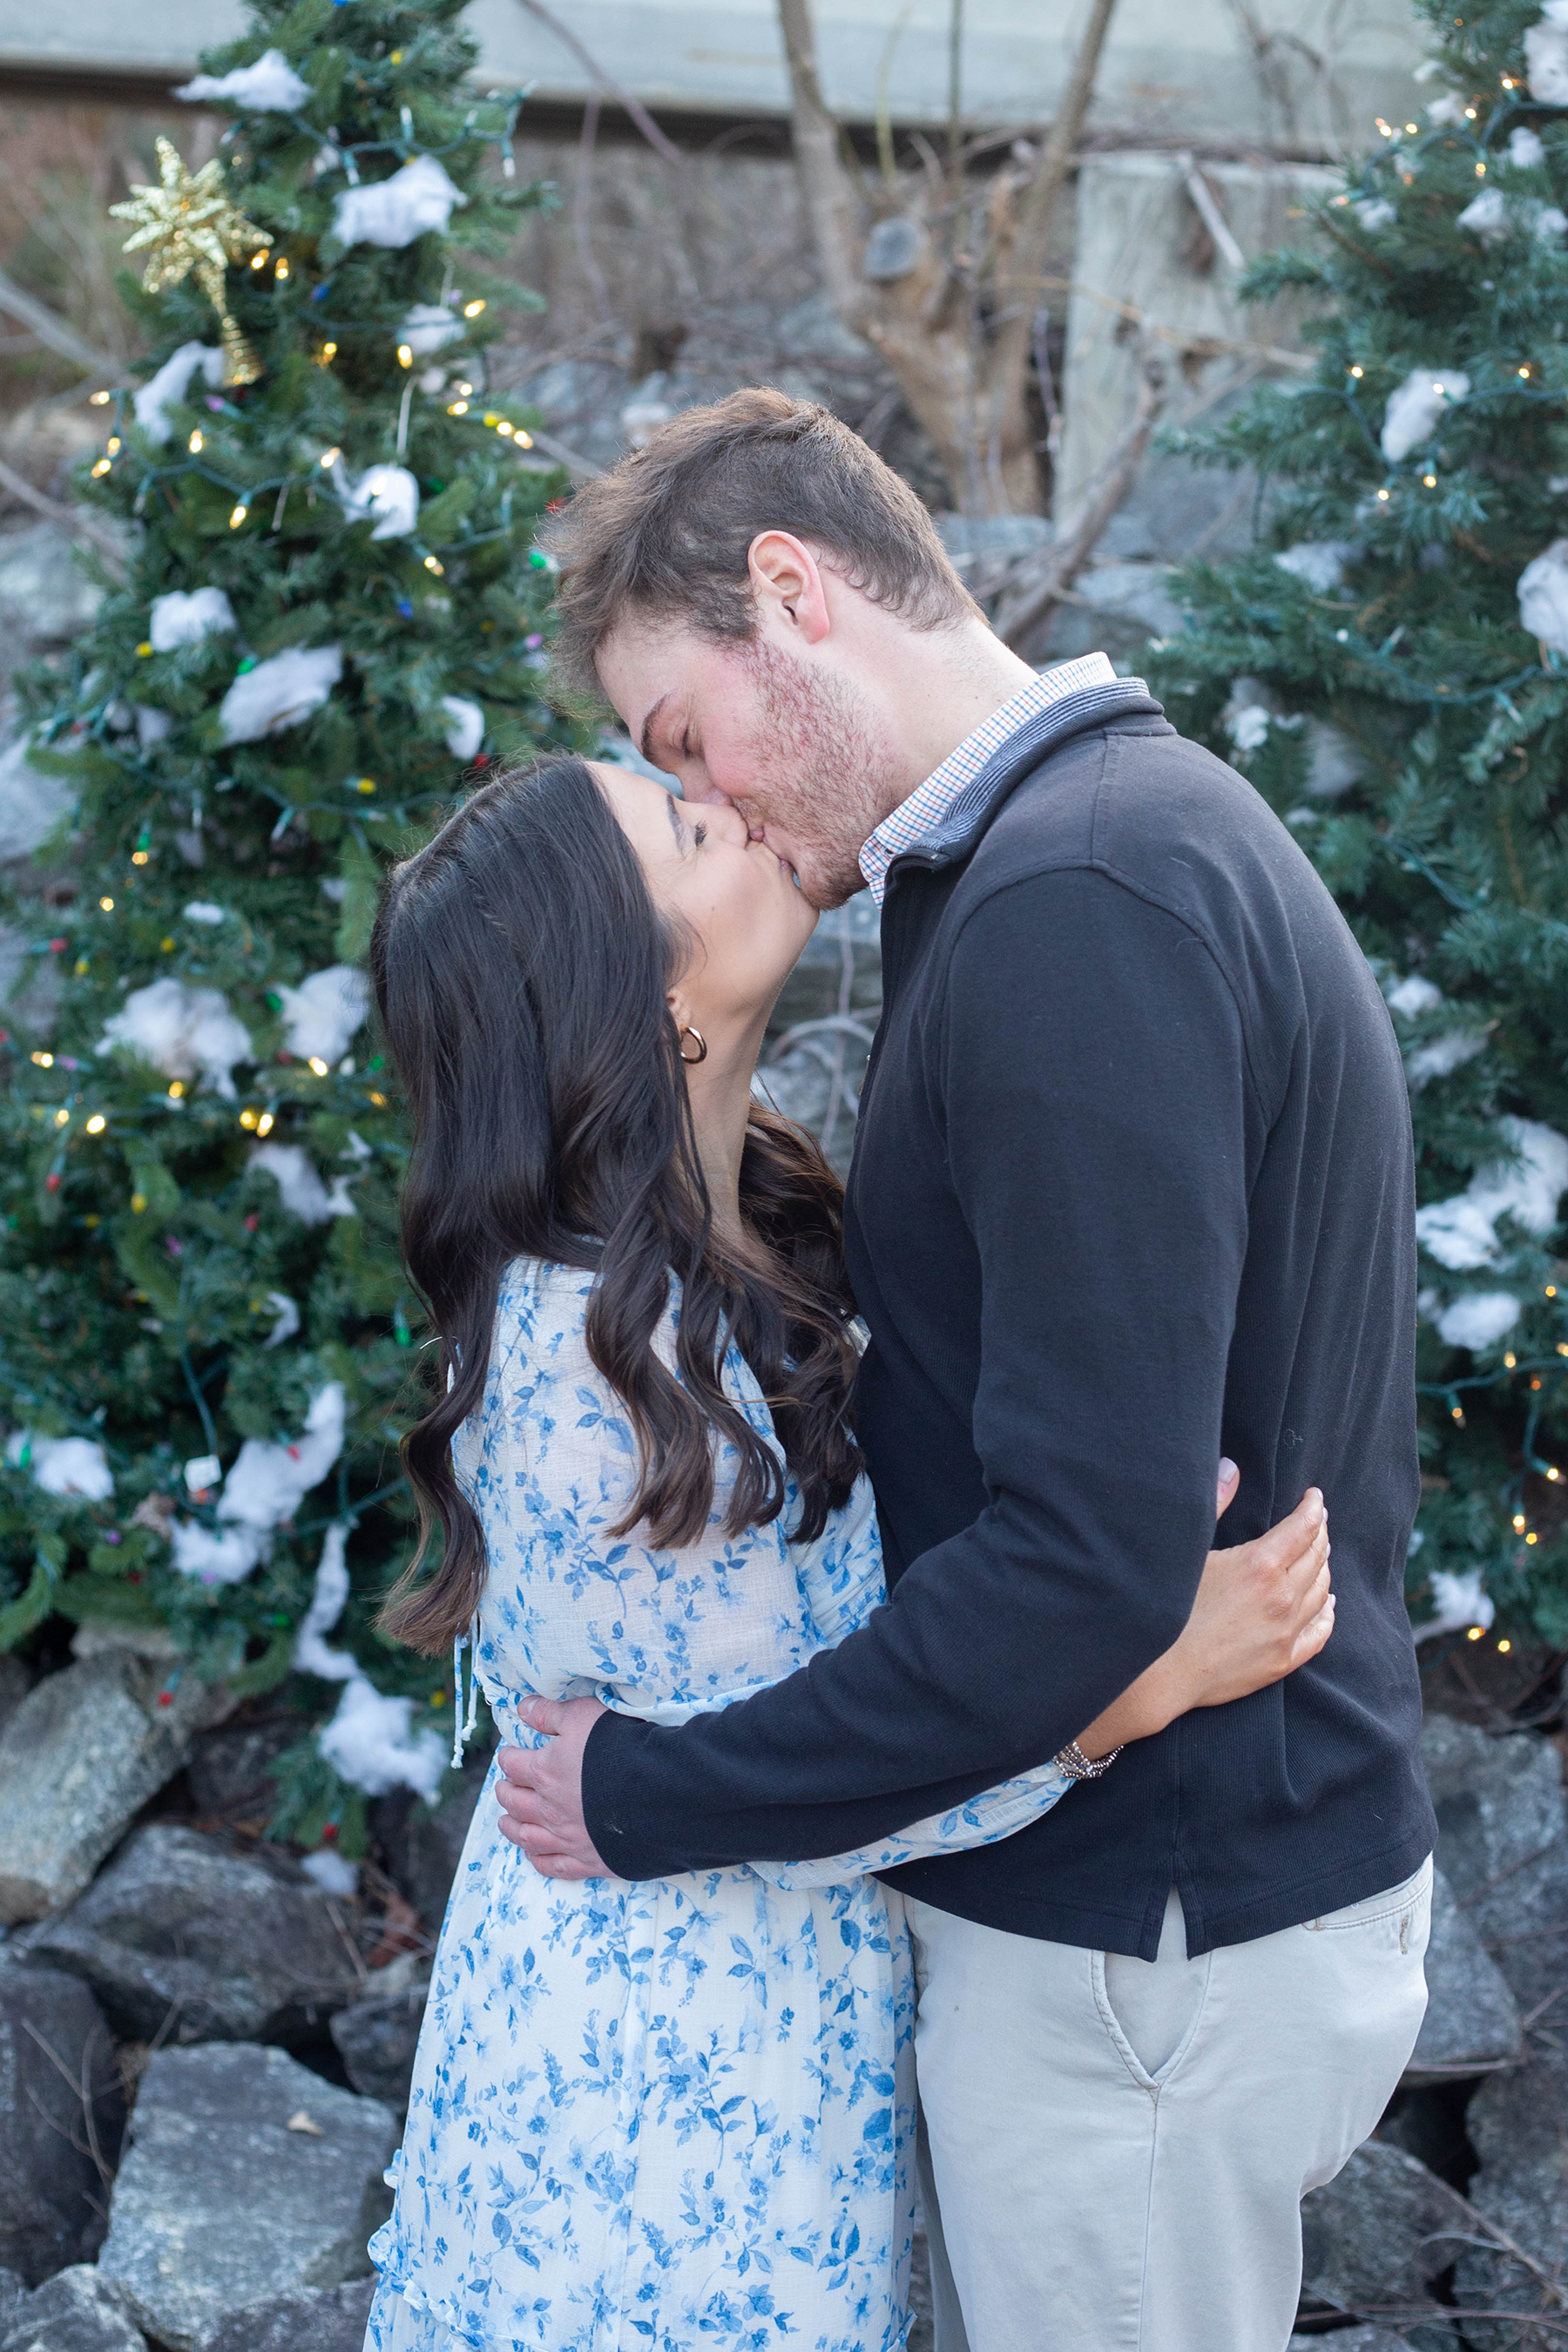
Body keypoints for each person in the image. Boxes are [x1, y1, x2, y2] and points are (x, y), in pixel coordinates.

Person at [493, 389, 1438, 2351]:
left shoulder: (1077, 899)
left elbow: (1083, 1565)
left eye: (690, 741)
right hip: (1151, 1919)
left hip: (1145, 1950)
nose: (721, 806)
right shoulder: (1056, 862)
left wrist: (658, 1796)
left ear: (793, 592)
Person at [361, 750, 1335, 2352]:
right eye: (688, 828)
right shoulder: (595, 1368)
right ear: (639, 1001)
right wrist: (1140, 1680)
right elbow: (802, 1774)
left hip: (770, 2038)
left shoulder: (748, 1227)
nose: (733, 803)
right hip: (660, 2121)